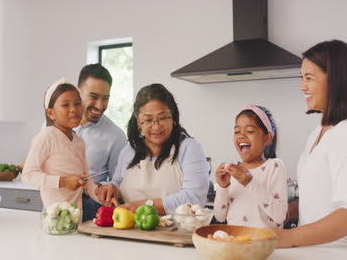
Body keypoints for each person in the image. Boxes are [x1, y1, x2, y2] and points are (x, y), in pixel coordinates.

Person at [272, 40, 347, 247]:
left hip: (343, 252)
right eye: (301, 78)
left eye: (309, 78)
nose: (302, 86)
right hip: (317, 251)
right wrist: (288, 212)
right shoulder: (320, 131)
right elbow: (322, 196)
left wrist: (289, 237)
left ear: (335, 80)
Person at [96, 83, 209, 215]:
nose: (156, 127)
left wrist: (144, 206)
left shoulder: (189, 148)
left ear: (173, 118)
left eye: (162, 118)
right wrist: (111, 190)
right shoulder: (128, 152)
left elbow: (195, 197)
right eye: (148, 120)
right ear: (139, 123)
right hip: (132, 231)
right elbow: (117, 184)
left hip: (177, 232)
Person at [22, 79, 99, 211]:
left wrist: (102, 199)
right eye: (65, 105)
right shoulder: (46, 137)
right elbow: (27, 175)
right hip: (57, 214)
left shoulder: (79, 141)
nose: (74, 109)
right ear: (51, 113)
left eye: (77, 103)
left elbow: (87, 181)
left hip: (79, 209)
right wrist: (62, 181)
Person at [213, 105, 289, 229]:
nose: (241, 135)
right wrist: (223, 187)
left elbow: (280, 216)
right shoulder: (233, 171)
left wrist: (250, 182)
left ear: (267, 138)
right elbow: (220, 217)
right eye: (237, 131)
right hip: (235, 242)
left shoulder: (275, 167)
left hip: (265, 245)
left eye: (250, 131)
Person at [73, 64, 127, 221]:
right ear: (78, 92)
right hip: (53, 207)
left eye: (105, 98)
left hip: (90, 211)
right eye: (94, 97)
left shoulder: (116, 136)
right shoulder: (54, 125)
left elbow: (119, 182)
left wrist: (101, 187)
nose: (100, 105)